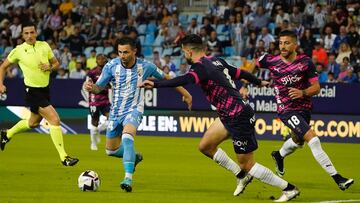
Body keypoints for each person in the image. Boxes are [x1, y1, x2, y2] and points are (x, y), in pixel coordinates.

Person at [140, 34, 300, 202]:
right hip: (227, 115)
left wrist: (156, 84)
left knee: (247, 164)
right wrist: (259, 82)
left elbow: (185, 79)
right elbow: (240, 73)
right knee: (206, 146)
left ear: (188, 51)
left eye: (183, 52)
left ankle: (289, 189)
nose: (184, 55)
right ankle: (241, 176)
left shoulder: (199, 67)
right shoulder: (217, 61)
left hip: (238, 115)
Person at [84, 37, 192, 192]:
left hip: (134, 109)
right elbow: (98, 88)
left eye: (126, 52)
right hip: (115, 112)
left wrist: (186, 94)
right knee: (110, 151)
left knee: (127, 138)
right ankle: (134, 157)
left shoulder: (146, 66)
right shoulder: (111, 66)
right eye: (120, 52)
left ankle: (128, 178)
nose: (122, 55)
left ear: (134, 51)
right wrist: (91, 87)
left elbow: (167, 78)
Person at [255, 30, 353, 191]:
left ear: (295, 44)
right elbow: (253, 64)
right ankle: (338, 178)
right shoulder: (270, 60)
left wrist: (303, 92)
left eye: (286, 43)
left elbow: (316, 87)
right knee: (313, 139)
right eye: (280, 43)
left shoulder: (305, 62)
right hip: (285, 108)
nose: (283, 46)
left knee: (298, 141)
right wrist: (248, 83)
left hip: (303, 107)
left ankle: (279, 155)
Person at [0, 22, 79, 166]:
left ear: (36, 33)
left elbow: (56, 63)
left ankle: (7, 134)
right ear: (22, 35)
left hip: (45, 89)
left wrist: (50, 66)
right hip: (32, 91)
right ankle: (64, 157)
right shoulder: (18, 50)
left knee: (33, 123)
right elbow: (3, 67)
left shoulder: (44, 45)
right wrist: (0, 84)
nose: (29, 36)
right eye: (26, 33)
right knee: (55, 119)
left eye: (32, 32)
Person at [86, 54, 110, 151]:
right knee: (94, 121)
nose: (101, 60)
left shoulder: (109, 71)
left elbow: (111, 84)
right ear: (96, 61)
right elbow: (88, 85)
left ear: (106, 60)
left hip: (105, 99)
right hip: (94, 101)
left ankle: (99, 130)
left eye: (103, 58)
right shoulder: (92, 72)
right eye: (99, 59)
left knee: (112, 118)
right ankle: (93, 143)